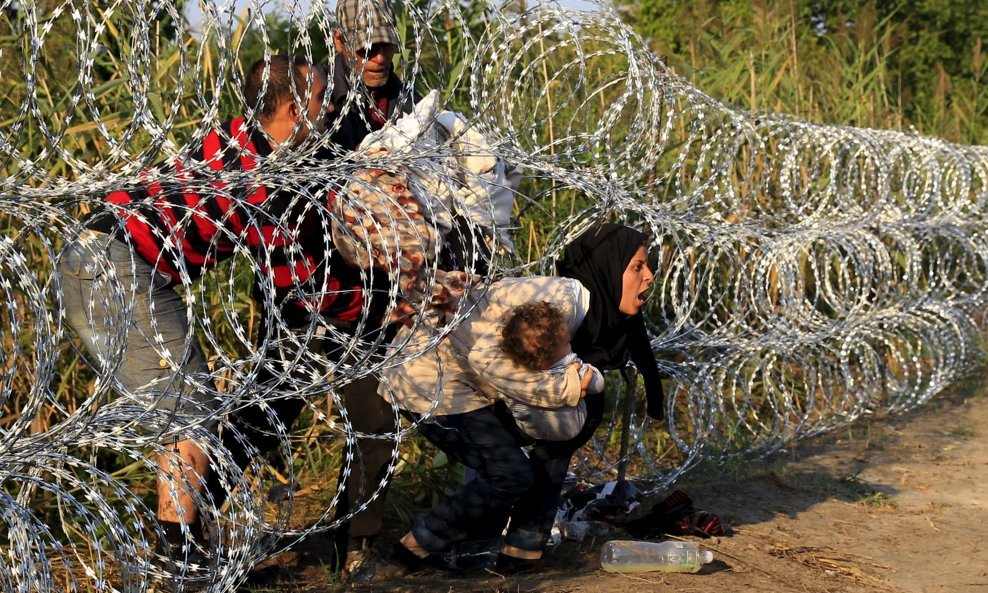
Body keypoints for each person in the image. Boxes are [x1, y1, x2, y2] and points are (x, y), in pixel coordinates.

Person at [58, 54, 332, 587]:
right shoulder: (259, 177)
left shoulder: (235, 138)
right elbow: (287, 269)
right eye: (321, 98)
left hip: (107, 257)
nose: (330, 108)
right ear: (296, 108)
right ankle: (181, 562)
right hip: (118, 265)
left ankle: (184, 546)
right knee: (187, 413)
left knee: (183, 407)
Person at [213, 0, 423, 582]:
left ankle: (356, 546)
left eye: (385, 47)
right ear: (338, 42)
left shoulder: (407, 106)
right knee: (263, 418)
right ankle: (191, 521)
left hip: (368, 301)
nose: (377, 58)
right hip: (301, 296)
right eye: (365, 48)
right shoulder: (316, 101)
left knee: (376, 422)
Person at [386, 222, 665, 571]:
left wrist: (569, 392)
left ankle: (523, 547)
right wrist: (564, 389)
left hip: (476, 381)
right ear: (608, 266)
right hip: (431, 378)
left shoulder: (601, 318)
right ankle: (416, 546)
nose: (649, 275)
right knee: (511, 475)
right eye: (637, 266)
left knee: (577, 416)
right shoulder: (562, 302)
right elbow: (484, 358)